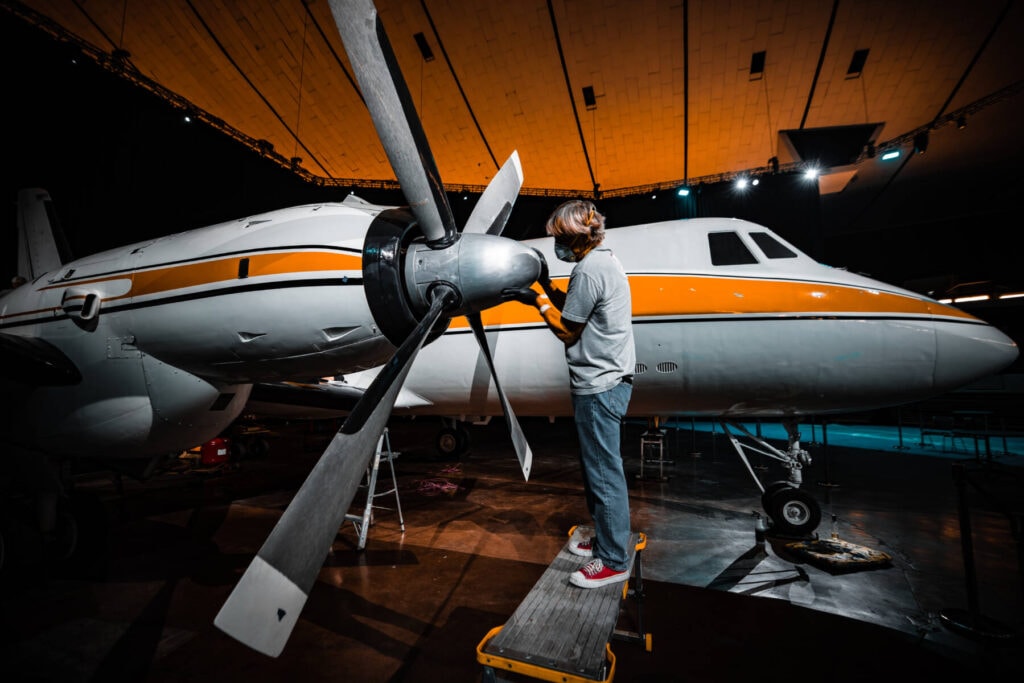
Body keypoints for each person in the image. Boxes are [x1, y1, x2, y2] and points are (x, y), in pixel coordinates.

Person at [504, 199, 636, 589]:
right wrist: (547, 286)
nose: (555, 245)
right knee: (598, 471)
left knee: (603, 475)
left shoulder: (589, 270)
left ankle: (612, 561)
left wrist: (536, 300)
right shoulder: (604, 261)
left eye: (559, 238)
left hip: (598, 386)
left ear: (575, 237)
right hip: (608, 381)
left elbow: (567, 330)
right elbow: (579, 311)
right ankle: (607, 540)